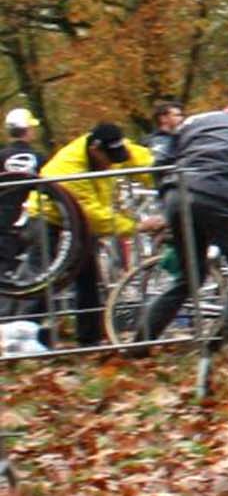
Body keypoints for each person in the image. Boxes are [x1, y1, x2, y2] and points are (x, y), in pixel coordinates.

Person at [140, 89, 228, 354]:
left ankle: (141, 339)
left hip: (177, 193)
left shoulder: (196, 120)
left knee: (190, 277)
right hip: (218, 194)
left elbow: (163, 159)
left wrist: (166, 200)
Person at [29, 123, 158, 344]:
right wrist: (136, 225)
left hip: (79, 220)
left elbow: (139, 158)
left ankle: (89, 339)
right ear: (95, 149)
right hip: (50, 216)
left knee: (88, 276)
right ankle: (24, 330)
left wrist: (161, 177)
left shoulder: (110, 146)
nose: (111, 164)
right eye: (108, 158)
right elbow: (95, 217)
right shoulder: (70, 170)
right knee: (42, 278)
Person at [1, 110, 46, 307]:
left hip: (4, 219)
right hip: (34, 217)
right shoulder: (40, 158)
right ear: (27, 130)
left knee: (4, 268)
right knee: (36, 264)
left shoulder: (1, 156)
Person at [145, 99, 185, 166]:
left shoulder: (182, 136)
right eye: (177, 115)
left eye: (181, 115)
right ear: (163, 118)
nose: (181, 119)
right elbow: (159, 163)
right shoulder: (156, 141)